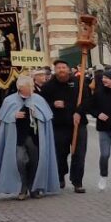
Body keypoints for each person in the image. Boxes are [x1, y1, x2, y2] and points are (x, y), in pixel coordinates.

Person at [0, 75, 60, 199]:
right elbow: (2, 119)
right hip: (17, 138)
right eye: (29, 87)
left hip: (35, 137)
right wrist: (13, 115)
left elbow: (46, 118)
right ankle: (22, 187)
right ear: (21, 88)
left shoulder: (38, 99)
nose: (32, 88)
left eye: (32, 86)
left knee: (35, 162)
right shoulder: (10, 100)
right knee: (19, 161)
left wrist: (36, 114)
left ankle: (34, 188)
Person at [44, 60, 90, 192]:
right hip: (59, 125)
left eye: (63, 67)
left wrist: (79, 112)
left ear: (68, 69)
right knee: (60, 154)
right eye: (58, 68)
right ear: (55, 70)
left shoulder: (78, 83)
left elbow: (87, 100)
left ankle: (77, 181)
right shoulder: (49, 86)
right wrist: (53, 104)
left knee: (79, 154)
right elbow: (42, 103)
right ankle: (60, 177)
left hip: (78, 124)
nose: (61, 70)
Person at [83, 68, 111, 193]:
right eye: (103, 78)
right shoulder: (99, 93)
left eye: (106, 78)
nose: (103, 80)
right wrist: (98, 114)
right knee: (105, 154)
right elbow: (89, 107)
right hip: (104, 130)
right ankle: (103, 176)